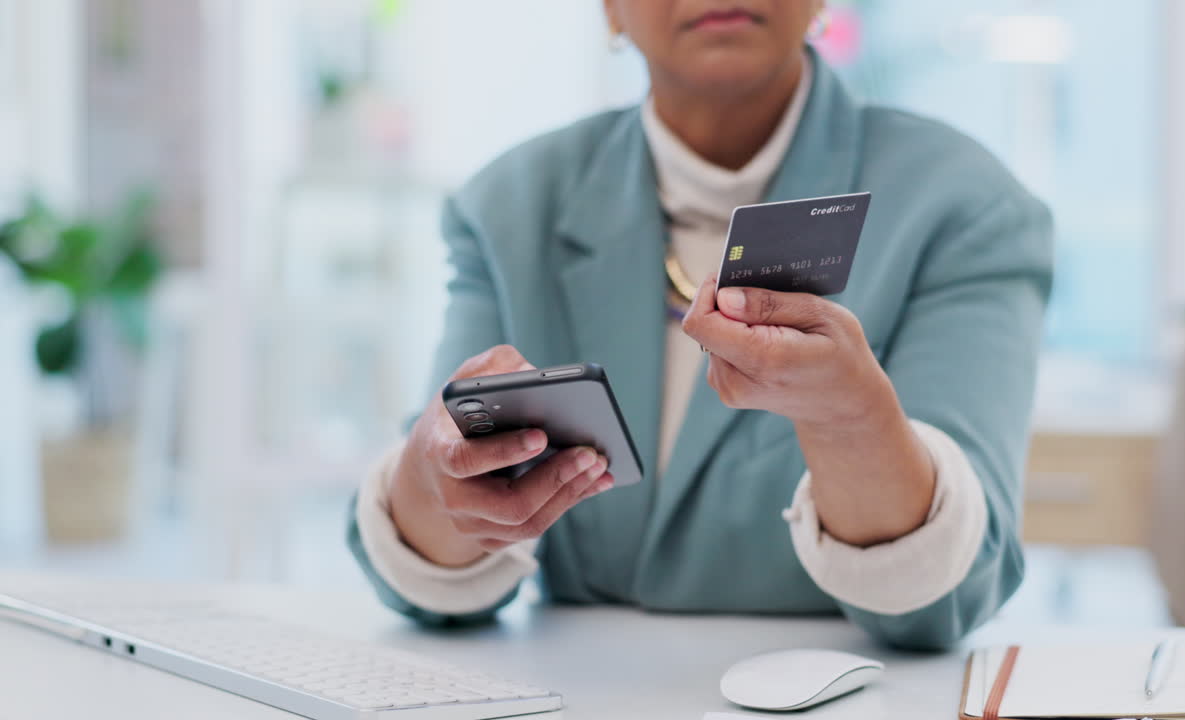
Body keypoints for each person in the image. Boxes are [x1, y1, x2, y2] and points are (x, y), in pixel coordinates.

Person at [347, 0, 1052, 650]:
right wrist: (437, 480)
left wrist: (851, 422)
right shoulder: (508, 205)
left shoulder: (965, 205)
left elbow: (955, 589)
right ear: (609, 10)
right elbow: (426, 570)